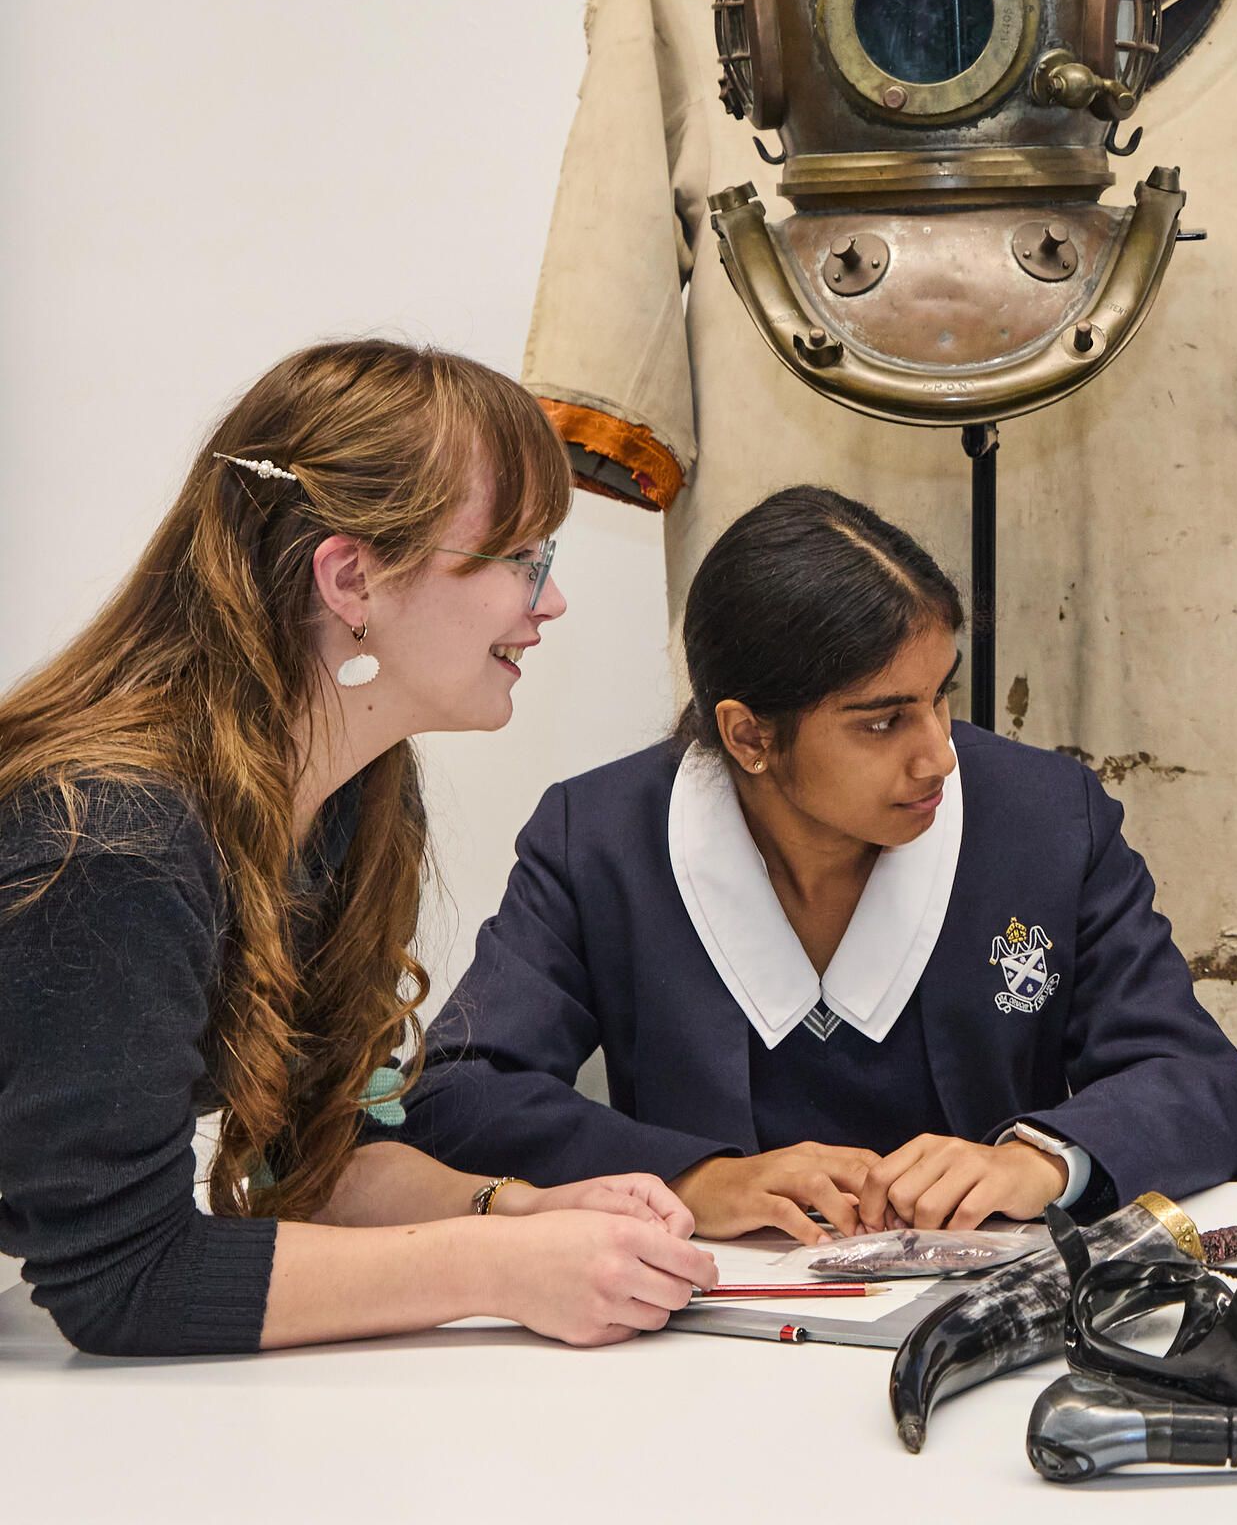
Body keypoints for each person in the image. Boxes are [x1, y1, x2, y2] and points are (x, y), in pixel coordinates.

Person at [0, 340, 718, 1357]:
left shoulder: (347, 797)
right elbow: (124, 1279)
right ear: (351, 577)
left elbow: (320, 1157)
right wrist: (504, 1269)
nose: (548, 601)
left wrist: (514, 1210)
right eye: (522, 558)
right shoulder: (114, 836)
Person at [397, 486, 1237, 1238]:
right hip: (700, 1325)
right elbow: (458, 1095)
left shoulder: (1043, 820)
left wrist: (1042, 1160)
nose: (938, 757)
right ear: (750, 736)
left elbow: (1200, 1084)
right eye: (883, 721)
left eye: (940, 697)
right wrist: (694, 1178)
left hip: (992, 1311)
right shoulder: (604, 838)